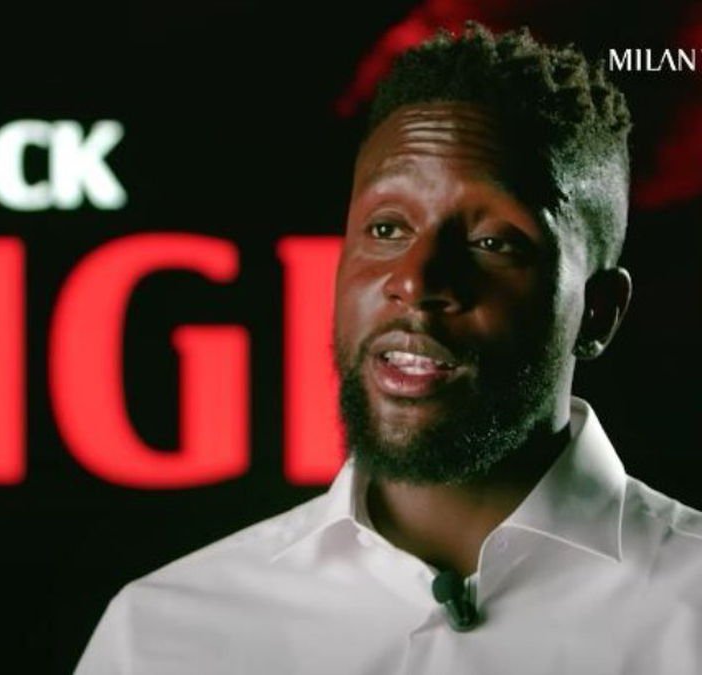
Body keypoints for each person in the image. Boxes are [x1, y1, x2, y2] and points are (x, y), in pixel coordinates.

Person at [75, 22, 702, 674]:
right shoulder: (162, 636)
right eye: (386, 228)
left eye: (493, 242)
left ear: (598, 311)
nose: (417, 280)